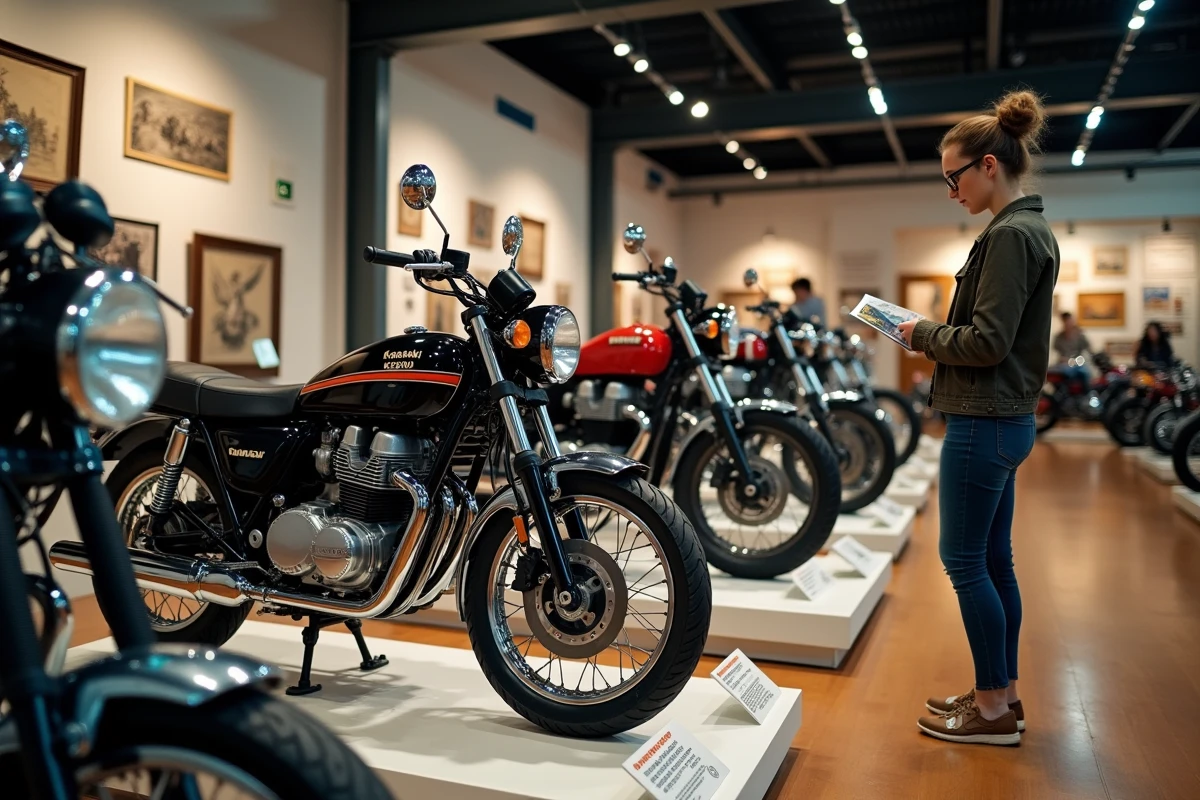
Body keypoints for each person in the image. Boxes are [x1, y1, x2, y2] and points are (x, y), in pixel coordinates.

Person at [896, 89, 1059, 747]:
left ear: (989, 165)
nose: (949, 190)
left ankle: (991, 710)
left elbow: (987, 341)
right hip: (1000, 419)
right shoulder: (1019, 229)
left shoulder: (1014, 234)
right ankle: (1002, 694)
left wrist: (920, 334)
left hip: (983, 420)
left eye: (953, 177)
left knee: (965, 561)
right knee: (993, 560)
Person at [1051, 311, 1092, 385]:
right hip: (1063, 365)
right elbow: (1057, 353)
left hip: (1077, 364)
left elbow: (1088, 349)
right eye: (1065, 321)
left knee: (1085, 372)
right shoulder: (1059, 337)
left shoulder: (1080, 336)